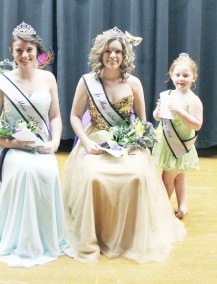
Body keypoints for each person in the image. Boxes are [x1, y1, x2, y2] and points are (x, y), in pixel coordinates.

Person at [63, 27, 186, 264]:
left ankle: (131, 236)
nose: (112, 56)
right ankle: (94, 235)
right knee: (92, 176)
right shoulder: (87, 82)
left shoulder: (134, 82)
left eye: (117, 51)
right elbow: (74, 117)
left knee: (137, 175)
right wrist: (87, 143)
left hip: (128, 142)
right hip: (96, 140)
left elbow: (142, 121)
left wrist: (133, 145)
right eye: (108, 50)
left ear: (125, 54)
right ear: (100, 53)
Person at [0, 22, 68, 268]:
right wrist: (6, 141)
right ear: (12, 52)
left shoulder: (48, 78)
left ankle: (46, 236)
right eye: (19, 50)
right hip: (7, 146)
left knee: (47, 170)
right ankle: (21, 238)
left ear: (37, 51)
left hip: (40, 142)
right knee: (25, 170)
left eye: (29, 50)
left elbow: (55, 117)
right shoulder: (2, 80)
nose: (24, 55)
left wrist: (54, 142)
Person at [152, 53, 203, 219]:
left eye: (186, 75)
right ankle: (182, 206)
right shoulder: (166, 95)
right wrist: (158, 112)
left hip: (181, 144)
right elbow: (157, 118)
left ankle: (163, 211)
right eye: (178, 75)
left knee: (168, 178)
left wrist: (181, 112)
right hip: (166, 143)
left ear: (194, 77)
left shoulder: (193, 100)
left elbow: (197, 124)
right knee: (179, 175)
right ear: (171, 75)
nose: (181, 78)